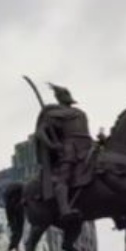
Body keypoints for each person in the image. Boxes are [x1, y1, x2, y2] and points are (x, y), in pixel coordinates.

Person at [33, 83, 94, 222]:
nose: (67, 96)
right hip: (69, 147)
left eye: (67, 94)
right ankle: (64, 208)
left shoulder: (80, 113)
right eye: (63, 94)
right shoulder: (53, 115)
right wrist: (52, 144)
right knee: (64, 176)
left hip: (87, 144)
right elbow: (40, 132)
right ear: (59, 97)